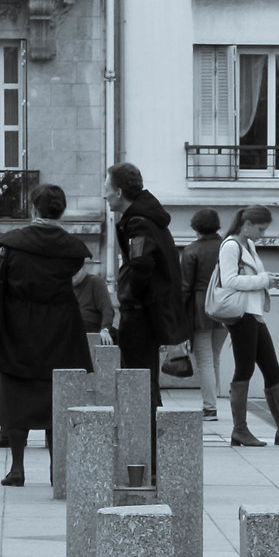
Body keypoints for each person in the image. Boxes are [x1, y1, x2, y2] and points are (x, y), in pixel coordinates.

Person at [0, 182, 94, 485]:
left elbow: (0, 285)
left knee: (16, 397)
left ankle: (17, 468)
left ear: (34, 208)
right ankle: (56, 469)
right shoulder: (72, 250)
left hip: (19, 325)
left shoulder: (11, 244)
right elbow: (72, 278)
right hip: (61, 327)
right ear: (62, 210)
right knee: (56, 397)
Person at [208, 206, 279, 447]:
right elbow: (230, 279)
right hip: (241, 315)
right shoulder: (231, 246)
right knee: (244, 370)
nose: (262, 234)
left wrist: (270, 279)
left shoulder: (249, 246)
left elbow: (251, 277)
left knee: (273, 370)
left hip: (253, 314)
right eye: (260, 229)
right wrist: (264, 279)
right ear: (246, 224)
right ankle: (240, 430)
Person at [106, 162, 188, 415]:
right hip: (150, 310)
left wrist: (130, 296)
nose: (104, 194)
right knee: (145, 376)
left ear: (119, 192)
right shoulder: (149, 218)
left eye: (107, 188)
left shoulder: (137, 223)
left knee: (137, 376)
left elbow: (141, 263)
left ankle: (144, 434)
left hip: (140, 313)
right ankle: (149, 430)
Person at [180, 208, 226, 420]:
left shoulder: (191, 250)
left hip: (201, 307)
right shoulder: (228, 246)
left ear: (196, 228)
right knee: (215, 357)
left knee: (205, 360)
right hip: (226, 306)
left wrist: (179, 315)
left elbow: (185, 287)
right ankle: (213, 401)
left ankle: (210, 407)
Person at [74, 265, 117, 345]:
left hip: (91, 330)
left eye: (75, 271)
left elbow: (107, 308)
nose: (72, 274)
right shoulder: (65, 287)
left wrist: (105, 329)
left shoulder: (95, 281)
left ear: (83, 268)